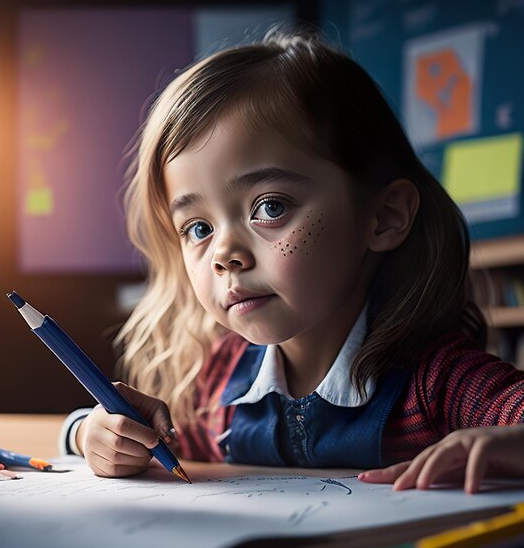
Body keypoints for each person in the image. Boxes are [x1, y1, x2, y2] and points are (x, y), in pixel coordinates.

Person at [59, 26, 524, 493]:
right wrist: (92, 433)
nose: (224, 255)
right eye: (199, 228)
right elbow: (153, 444)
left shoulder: (437, 381)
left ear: (383, 217)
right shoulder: (220, 382)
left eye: (270, 207)